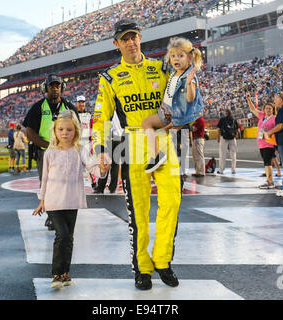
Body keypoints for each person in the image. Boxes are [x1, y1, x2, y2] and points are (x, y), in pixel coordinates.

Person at [92, 19, 182, 290]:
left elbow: (180, 98)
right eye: (125, 39)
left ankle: (162, 260)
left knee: (173, 201)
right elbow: (100, 118)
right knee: (138, 211)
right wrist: (101, 149)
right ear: (116, 43)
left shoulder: (161, 67)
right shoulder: (108, 77)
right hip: (130, 143)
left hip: (163, 139)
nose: (130, 42)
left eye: (134, 37)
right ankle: (143, 267)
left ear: (140, 38)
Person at [33, 111, 110, 289]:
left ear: (75, 131)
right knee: (63, 235)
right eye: (61, 129)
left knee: (69, 238)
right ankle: (56, 274)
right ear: (55, 131)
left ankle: (66, 274)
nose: (65, 133)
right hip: (53, 202)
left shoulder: (79, 150)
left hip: (72, 201)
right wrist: (42, 200)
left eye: (69, 129)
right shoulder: (50, 153)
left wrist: (103, 169)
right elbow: (44, 179)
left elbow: (92, 167)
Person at [22, 74, 80, 230]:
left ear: (62, 88)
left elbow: (78, 128)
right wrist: (50, 146)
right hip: (45, 153)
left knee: (66, 184)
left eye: (58, 86)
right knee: (47, 184)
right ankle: (52, 216)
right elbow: (30, 132)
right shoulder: (38, 107)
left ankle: (65, 214)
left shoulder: (69, 107)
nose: (55, 88)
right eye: (52, 86)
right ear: (45, 88)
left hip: (66, 153)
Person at [142, 36, 204, 173]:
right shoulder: (173, 73)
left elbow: (190, 98)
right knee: (149, 127)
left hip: (177, 114)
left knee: (154, 129)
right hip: (166, 110)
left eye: (181, 56)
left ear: (189, 58)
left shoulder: (188, 77)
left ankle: (158, 157)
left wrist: (189, 83)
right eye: (173, 56)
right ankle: (158, 156)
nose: (176, 59)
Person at [246, 94, 277, 189]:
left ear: (273, 110)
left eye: (270, 108)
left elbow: (278, 128)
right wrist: (248, 99)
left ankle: (270, 181)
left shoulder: (275, 118)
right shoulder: (262, 116)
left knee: (267, 162)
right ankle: (268, 180)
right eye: (266, 108)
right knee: (266, 162)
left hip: (269, 143)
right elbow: (253, 109)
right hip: (261, 143)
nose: (268, 110)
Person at [265, 92, 283, 188]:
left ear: (281, 100)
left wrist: (270, 132)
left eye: (276, 99)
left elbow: (281, 125)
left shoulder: (282, 110)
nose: (274, 101)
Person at [95, 111, 124, 193]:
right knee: (115, 165)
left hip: (111, 137)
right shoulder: (120, 111)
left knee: (106, 163)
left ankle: (101, 187)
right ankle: (112, 187)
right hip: (118, 137)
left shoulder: (109, 110)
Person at [76, 95, 97, 190]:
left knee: (89, 164)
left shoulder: (89, 115)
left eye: (83, 102)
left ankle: (93, 183)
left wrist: (93, 141)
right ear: (76, 103)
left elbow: (93, 128)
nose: (81, 104)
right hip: (77, 142)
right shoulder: (73, 115)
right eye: (79, 102)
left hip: (87, 142)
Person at [216, 109, 239, 175]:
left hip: (224, 138)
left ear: (225, 113)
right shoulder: (234, 119)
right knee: (233, 154)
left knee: (222, 154)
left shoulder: (222, 119)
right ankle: (233, 169)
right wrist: (234, 135)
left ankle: (221, 170)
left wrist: (218, 137)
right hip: (232, 138)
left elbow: (218, 129)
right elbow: (237, 129)